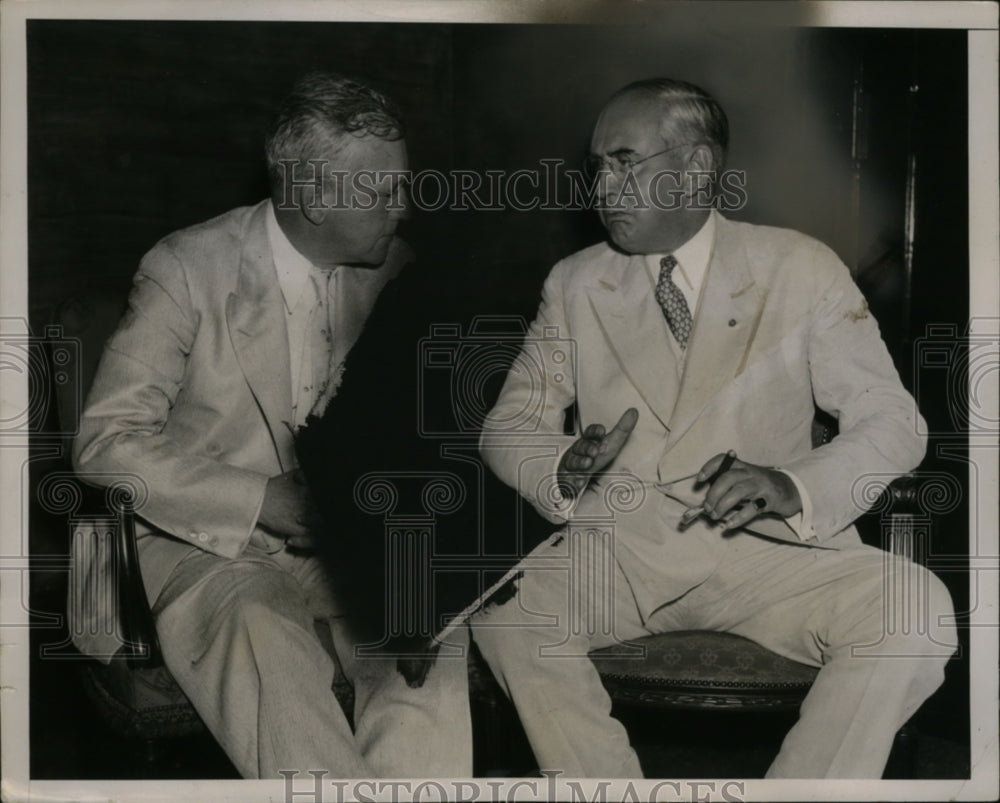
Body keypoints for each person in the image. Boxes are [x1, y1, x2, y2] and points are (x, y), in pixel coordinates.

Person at [470, 78, 957, 778]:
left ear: (697, 166)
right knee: (504, 614)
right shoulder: (575, 282)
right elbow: (508, 425)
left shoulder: (800, 266)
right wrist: (561, 465)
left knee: (915, 609)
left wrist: (792, 485)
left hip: (767, 555)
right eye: (596, 167)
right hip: (621, 553)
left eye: (624, 162)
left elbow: (894, 420)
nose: (602, 187)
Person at [72, 72, 471, 778]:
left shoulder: (397, 271)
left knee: (433, 638)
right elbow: (106, 444)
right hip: (202, 546)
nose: (404, 209)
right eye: (383, 193)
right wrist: (263, 501)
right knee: (265, 629)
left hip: (347, 550)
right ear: (314, 197)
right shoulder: (187, 268)